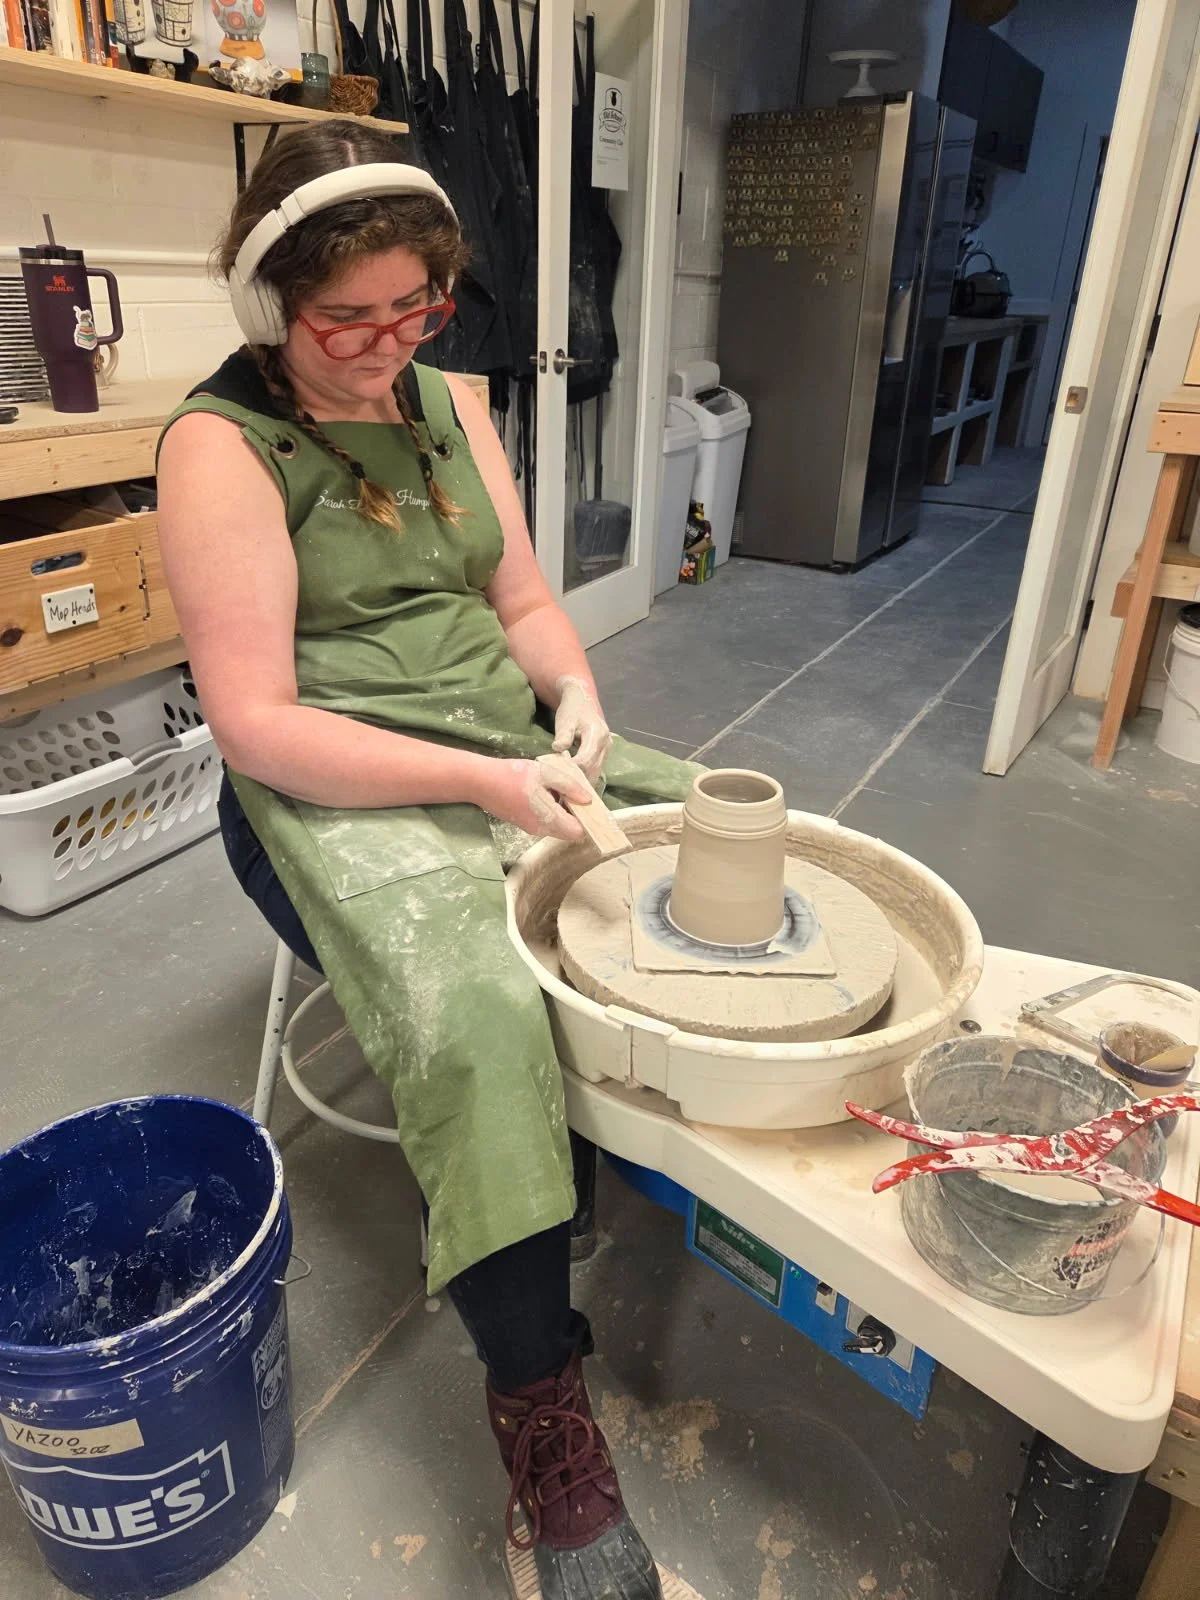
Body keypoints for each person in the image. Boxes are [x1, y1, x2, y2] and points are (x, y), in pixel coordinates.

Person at [156, 121, 700, 1600]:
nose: (386, 348)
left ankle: (596, 1159)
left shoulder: (453, 400)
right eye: (352, 320)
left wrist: (575, 692)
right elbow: (258, 727)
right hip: (334, 788)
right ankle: (543, 1421)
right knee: (473, 1022)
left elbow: (520, 599)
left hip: (503, 740)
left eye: (417, 311)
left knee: (723, 842)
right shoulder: (222, 447)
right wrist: (484, 779)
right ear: (274, 304)